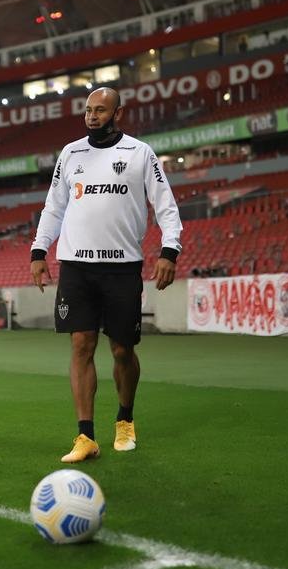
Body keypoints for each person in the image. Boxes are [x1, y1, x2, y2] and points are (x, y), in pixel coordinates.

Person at [30, 87, 183, 463]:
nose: (92, 116)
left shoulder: (140, 153)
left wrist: (170, 250)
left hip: (122, 267)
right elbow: (54, 207)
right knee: (81, 345)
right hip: (76, 266)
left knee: (121, 349)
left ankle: (125, 419)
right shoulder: (71, 153)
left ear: (119, 113)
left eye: (100, 110)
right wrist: (38, 250)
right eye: (88, 110)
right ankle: (85, 436)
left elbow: (166, 207)